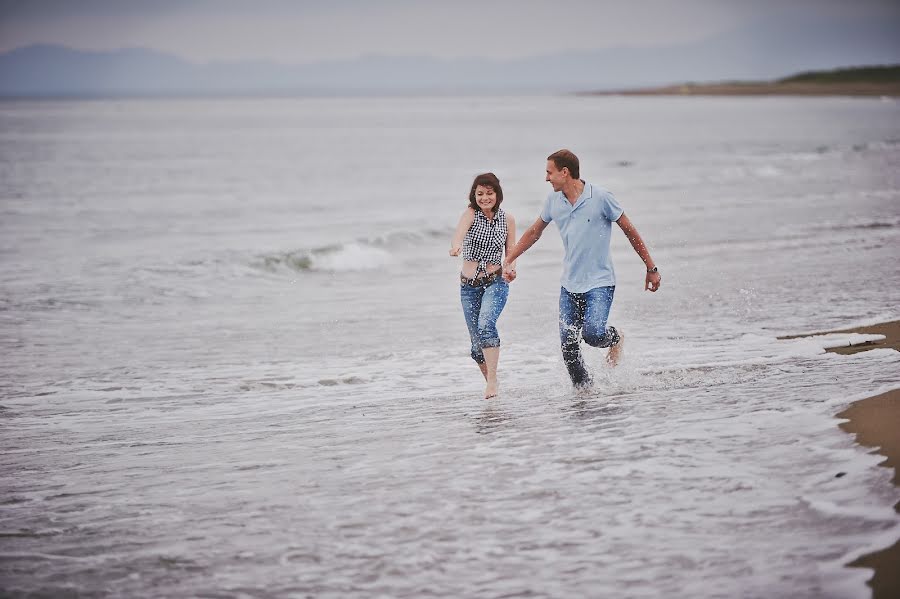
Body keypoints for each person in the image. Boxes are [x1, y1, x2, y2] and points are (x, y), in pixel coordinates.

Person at [503, 149, 660, 388]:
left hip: (600, 282)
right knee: (569, 347)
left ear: (565, 172)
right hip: (570, 284)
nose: (546, 178)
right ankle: (585, 396)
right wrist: (509, 260)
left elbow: (629, 229)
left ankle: (615, 338)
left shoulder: (600, 197)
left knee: (594, 334)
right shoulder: (553, 201)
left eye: (549, 172)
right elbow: (534, 232)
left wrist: (651, 267)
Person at [450, 172, 517, 399]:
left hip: (496, 282)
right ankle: (492, 382)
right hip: (469, 287)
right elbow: (459, 234)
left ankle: (491, 383)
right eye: (480, 194)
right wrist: (456, 246)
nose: (484, 198)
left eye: (489, 193)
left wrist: (510, 268)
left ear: (497, 194)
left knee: (486, 325)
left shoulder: (507, 219)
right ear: (474, 195)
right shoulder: (470, 213)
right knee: (476, 347)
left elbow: (512, 250)